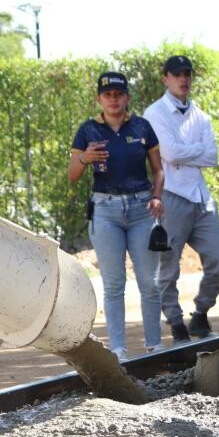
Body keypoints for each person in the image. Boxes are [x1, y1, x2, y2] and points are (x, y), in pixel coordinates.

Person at [68, 72, 165, 360]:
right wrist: (84, 158)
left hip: (142, 208)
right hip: (105, 210)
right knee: (113, 284)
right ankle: (119, 350)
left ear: (127, 97)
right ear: (99, 99)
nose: (113, 99)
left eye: (119, 94)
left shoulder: (142, 126)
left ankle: (154, 346)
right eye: (107, 94)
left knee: (149, 282)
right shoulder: (88, 130)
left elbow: (158, 170)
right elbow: (72, 174)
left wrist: (157, 196)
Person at [144, 55, 219, 344]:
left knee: (217, 259)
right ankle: (176, 323)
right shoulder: (154, 113)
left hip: (201, 197)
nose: (184, 79)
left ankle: (201, 313)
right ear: (165, 78)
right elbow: (169, 154)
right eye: (177, 74)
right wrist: (195, 150)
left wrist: (183, 152)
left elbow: (212, 157)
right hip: (171, 195)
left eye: (187, 74)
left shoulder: (200, 115)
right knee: (168, 267)